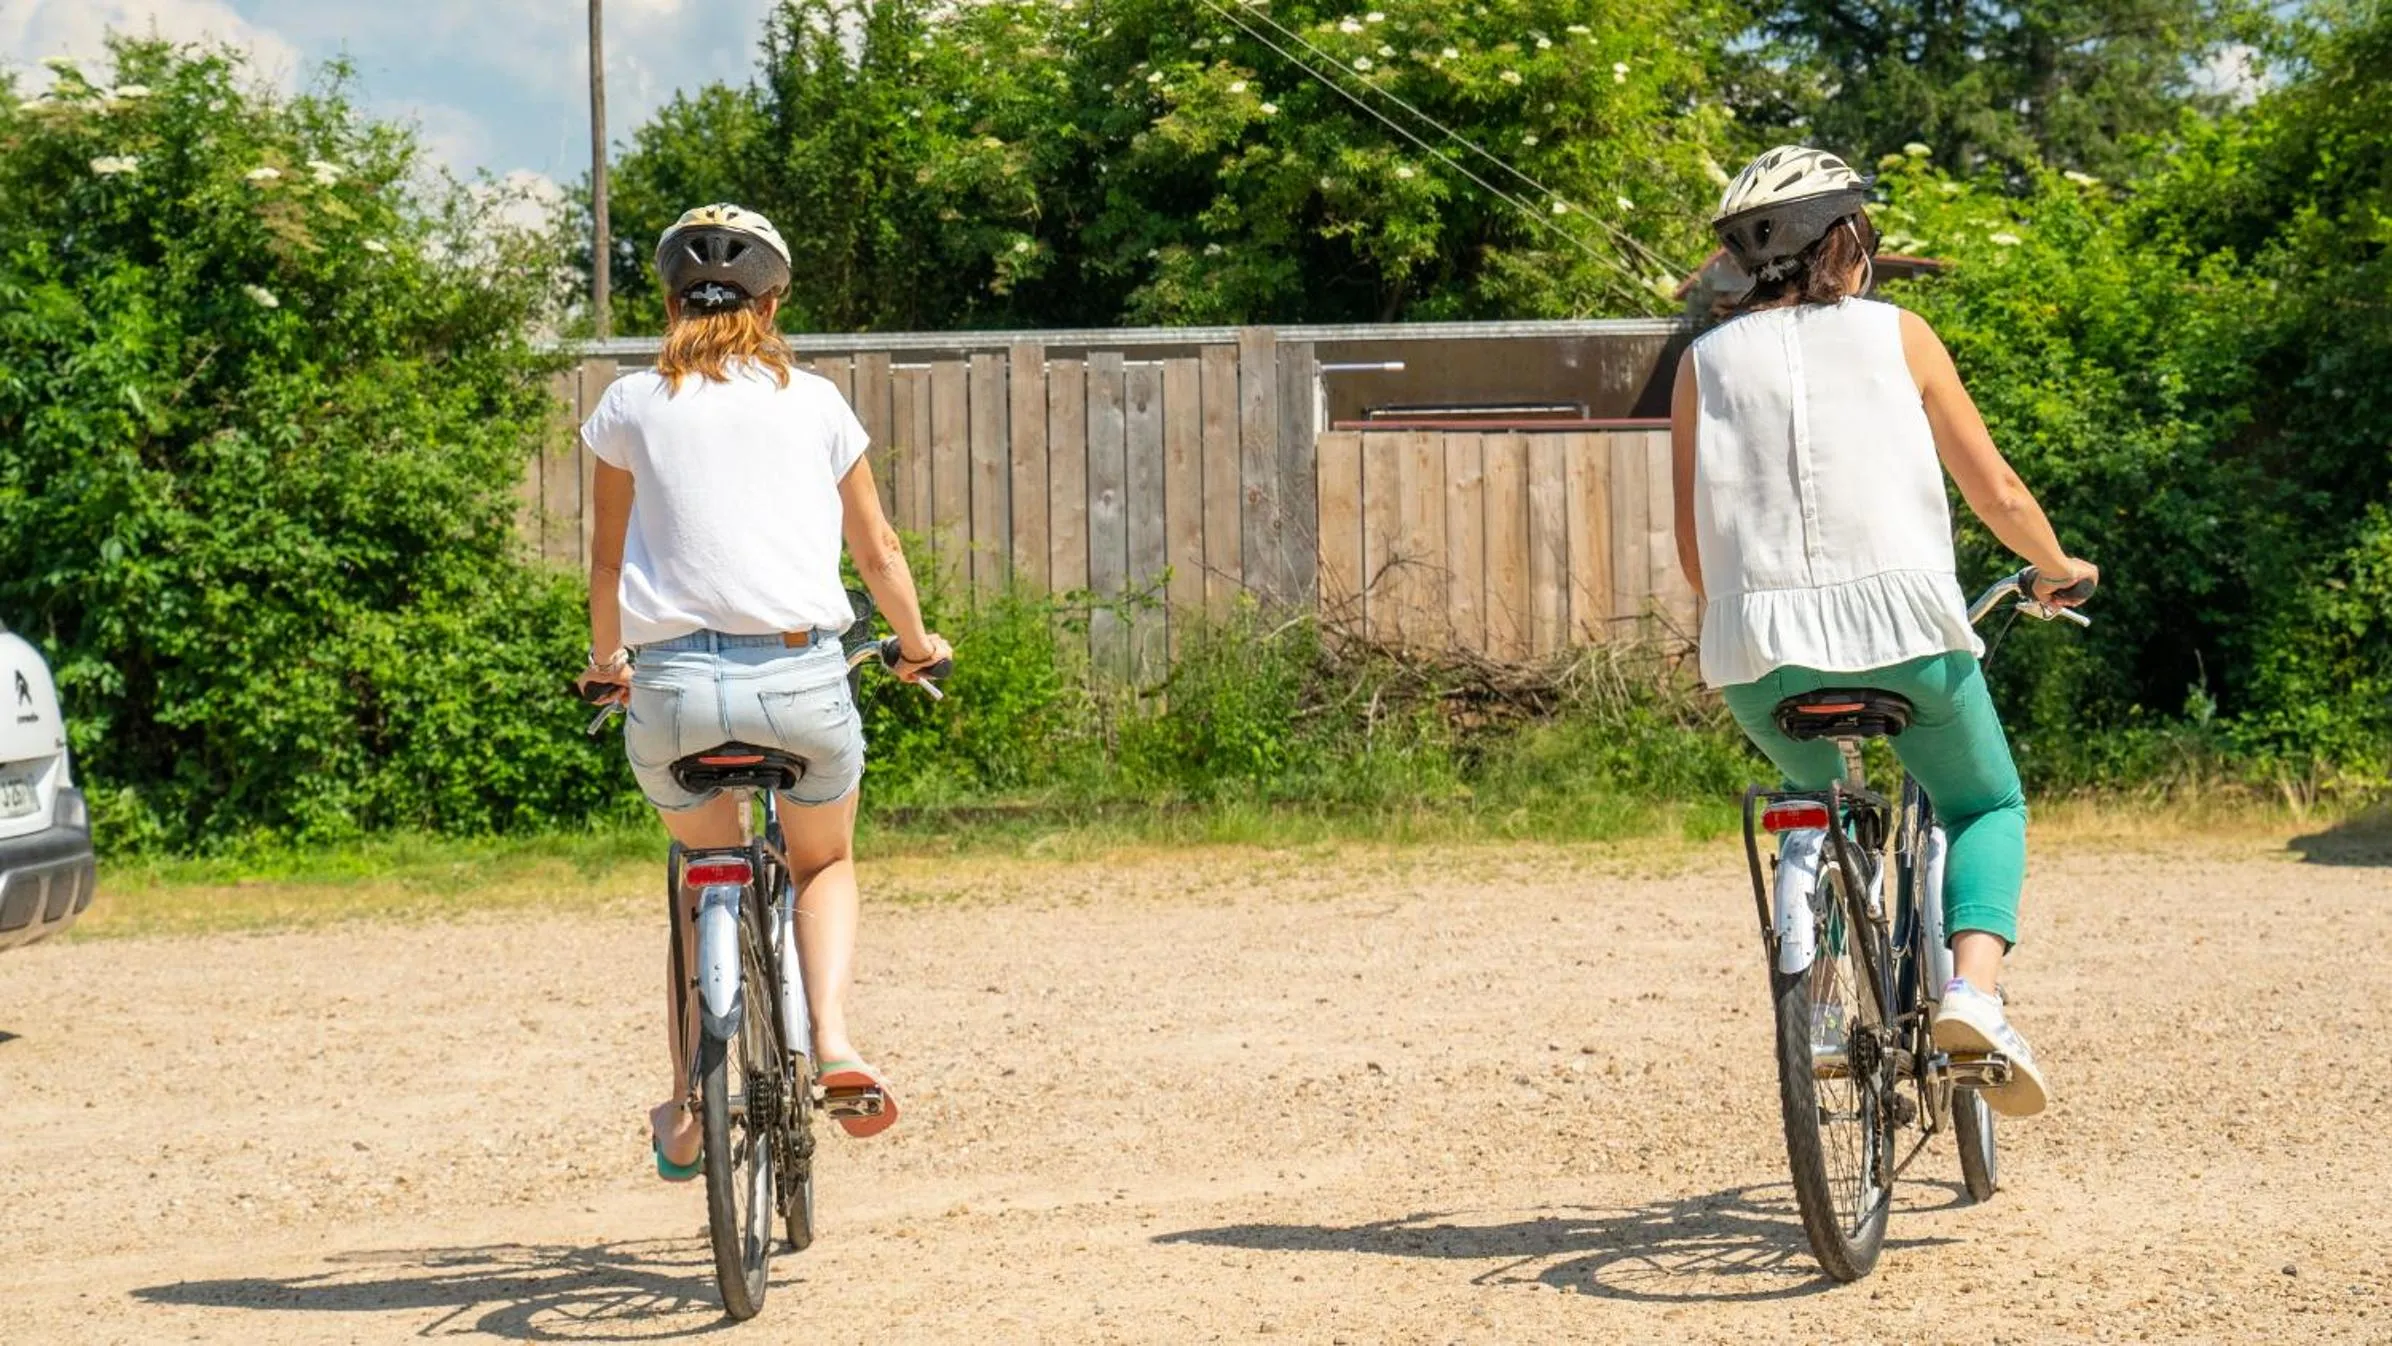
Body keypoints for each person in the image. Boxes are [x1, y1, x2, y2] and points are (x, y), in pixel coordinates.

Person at [1669, 148, 2097, 1117]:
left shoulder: (1700, 364)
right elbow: (1995, 491)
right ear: (1846, 238)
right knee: (1985, 802)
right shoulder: (1899, 334)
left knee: (1812, 802)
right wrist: (2059, 567)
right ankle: (1972, 996)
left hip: (1751, 649)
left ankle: (1818, 1002)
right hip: (1905, 633)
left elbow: (1694, 549)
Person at [575, 203, 951, 1176]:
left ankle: (688, 1106)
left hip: (673, 691)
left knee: (701, 864)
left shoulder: (627, 402)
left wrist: (607, 663)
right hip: (801, 681)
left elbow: (607, 560)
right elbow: (878, 549)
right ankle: (833, 1041)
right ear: (773, 301)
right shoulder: (817, 402)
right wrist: (915, 643)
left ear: (668, 300)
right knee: (822, 862)